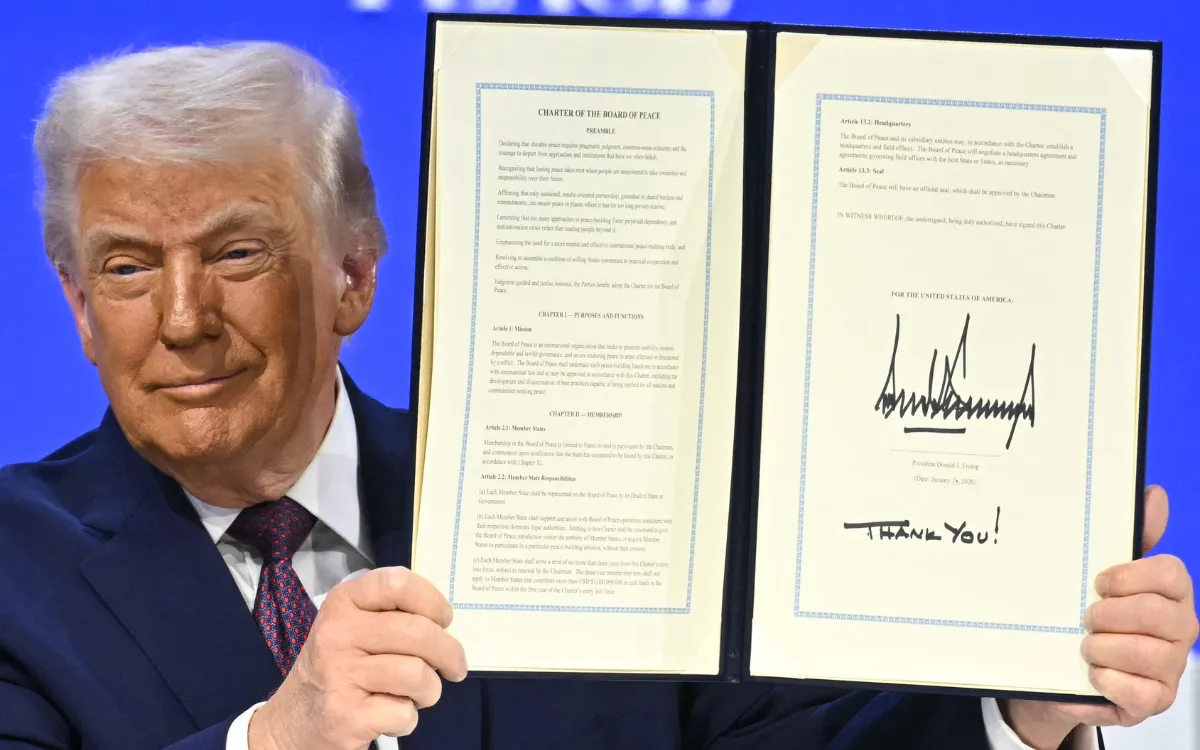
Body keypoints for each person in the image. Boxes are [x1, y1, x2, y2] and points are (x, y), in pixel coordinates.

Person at [0, 41, 1193, 750]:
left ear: (356, 273)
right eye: (126, 267)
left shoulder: (590, 493)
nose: (184, 316)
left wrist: (1018, 706)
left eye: (240, 252)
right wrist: (278, 739)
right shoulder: (11, 565)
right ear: (73, 302)